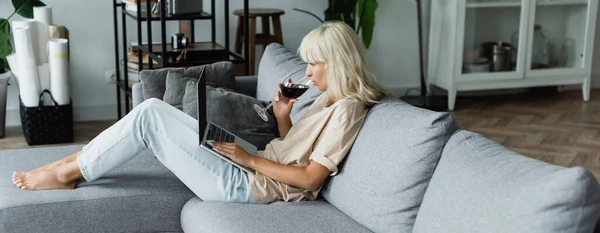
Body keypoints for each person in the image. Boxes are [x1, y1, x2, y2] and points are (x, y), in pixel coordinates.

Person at [11, 21, 388, 204]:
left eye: (314, 64)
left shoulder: (349, 108)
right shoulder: (327, 99)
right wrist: (283, 114)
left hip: (248, 186)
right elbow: (293, 149)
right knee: (152, 106)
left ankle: (66, 172)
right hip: (251, 165)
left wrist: (249, 160)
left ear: (337, 63)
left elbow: (309, 179)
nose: (307, 72)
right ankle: (73, 161)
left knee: (148, 119)